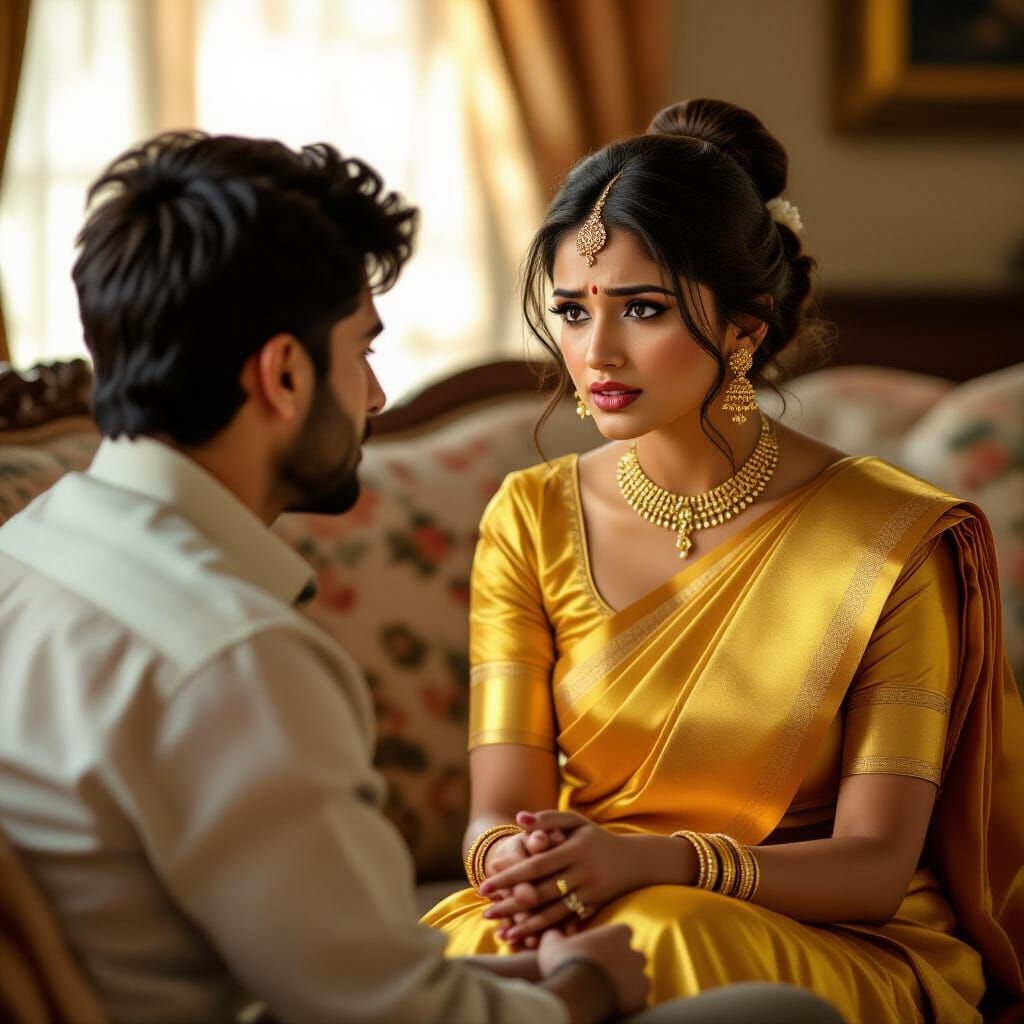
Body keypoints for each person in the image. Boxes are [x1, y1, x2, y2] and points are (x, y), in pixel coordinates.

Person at [0, 131, 653, 1024]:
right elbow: (398, 1018)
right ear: (284, 373)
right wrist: (586, 985)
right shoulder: (235, 660)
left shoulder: (27, 549)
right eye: (363, 349)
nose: (377, 397)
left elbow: (324, 974)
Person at [422, 98, 1024, 1023]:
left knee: (666, 934)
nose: (596, 353)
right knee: (456, 957)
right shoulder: (529, 518)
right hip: (581, 906)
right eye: (573, 312)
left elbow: (873, 867)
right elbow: (496, 811)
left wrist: (654, 862)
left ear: (745, 328)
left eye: (644, 309)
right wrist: (523, 867)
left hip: (821, 932)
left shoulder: (893, 540)